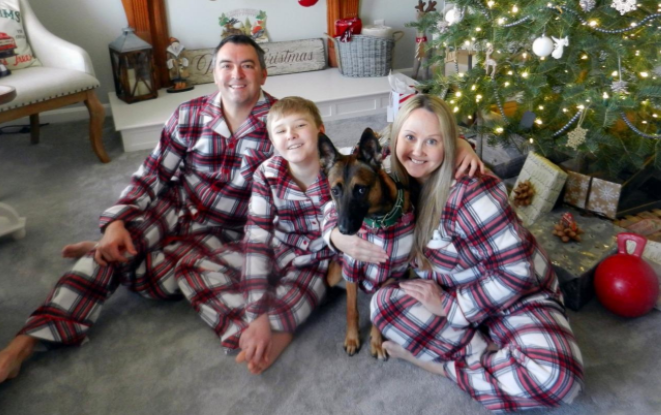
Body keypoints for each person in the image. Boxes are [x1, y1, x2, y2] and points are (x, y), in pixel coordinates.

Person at [0, 34, 276, 383]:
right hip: (175, 206)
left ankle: (129, 254)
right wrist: (117, 221)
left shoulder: (280, 127)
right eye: (227, 65)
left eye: (247, 65)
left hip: (225, 229)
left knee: (160, 282)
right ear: (215, 73)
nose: (236, 74)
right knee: (111, 251)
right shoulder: (190, 114)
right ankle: (22, 346)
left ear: (263, 74)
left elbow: (289, 197)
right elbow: (154, 172)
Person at [332, 94, 584, 412]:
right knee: (384, 306)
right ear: (395, 139)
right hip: (448, 291)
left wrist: (450, 306)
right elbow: (338, 182)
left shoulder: (473, 191)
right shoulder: (388, 174)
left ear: (448, 145)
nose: (418, 151)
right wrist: (334, 236)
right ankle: (490, 357)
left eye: (433, 141)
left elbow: (517, 273)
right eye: (409, 137)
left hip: (514, 297)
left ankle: (442, 365)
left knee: (557, 379)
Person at [175, 97, 334, 374]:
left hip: (315, 261)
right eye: (281, 131)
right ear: (272, 140)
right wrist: (256, 315)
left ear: (321, 131)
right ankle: (254, 333)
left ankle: (274, 329)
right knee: (189, 267)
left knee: (286, 307)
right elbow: (257, 239)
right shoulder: (267, 172)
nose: (291, 135)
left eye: (300, 126)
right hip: (276, 247)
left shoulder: (338, 173)